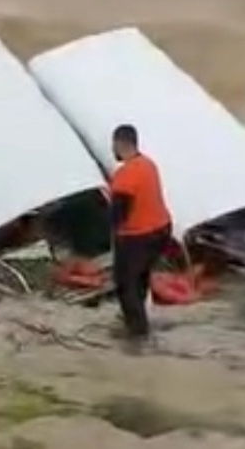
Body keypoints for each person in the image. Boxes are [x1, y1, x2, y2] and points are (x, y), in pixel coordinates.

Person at [107, 124, 172, 340]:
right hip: (161, 230)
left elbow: (118, 215)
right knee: (140, 278)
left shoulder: (125, 175)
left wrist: (112, 239)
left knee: (126, 284)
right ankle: (138, 319)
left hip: (138, 236)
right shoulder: (148, 165)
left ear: (119, 144)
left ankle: (137, 334)